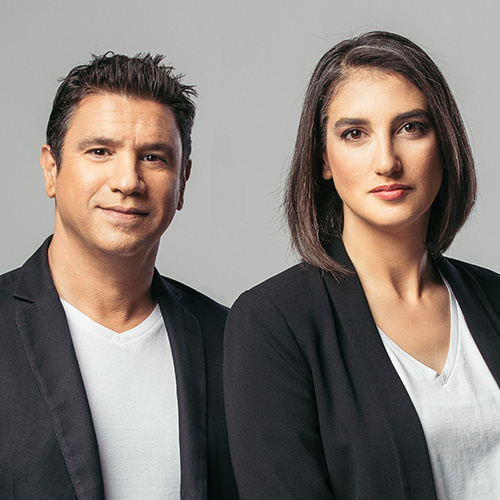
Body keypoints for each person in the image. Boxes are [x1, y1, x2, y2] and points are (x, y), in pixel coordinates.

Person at [224, 31, 500, 499]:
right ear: (324, 159)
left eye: (411, 127)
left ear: (444, 141)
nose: (387, 161)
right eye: (355, 134)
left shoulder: (494, 298)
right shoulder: (272, 322)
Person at [0, 53, 238, 499]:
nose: (128, 181)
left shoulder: (231, 342)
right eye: (100, 152)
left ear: (182, 181)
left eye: (153, 157)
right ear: (51, 168)